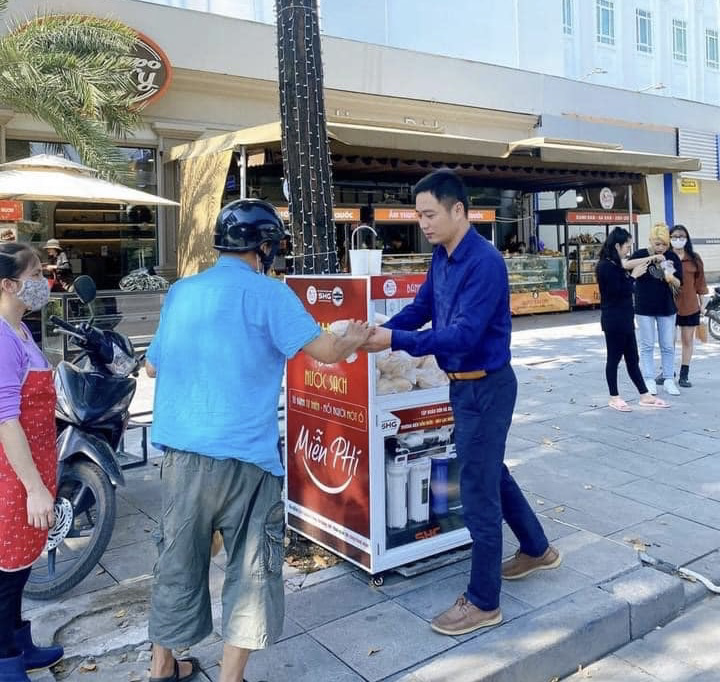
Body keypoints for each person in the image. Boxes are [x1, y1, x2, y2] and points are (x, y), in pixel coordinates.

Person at [145, 199, 370, 682]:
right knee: (252, 571)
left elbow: (154, 364)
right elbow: (327, 351)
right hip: (247, 459)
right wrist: (353, 334)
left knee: (177, 561)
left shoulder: (181, 292)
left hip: (182, 457)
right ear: (264, 247)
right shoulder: (270, 295)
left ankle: (162, 668)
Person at [362, 170, 561, 637]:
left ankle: (483, 601)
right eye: (419, 215)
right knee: (492, 471)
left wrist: (398, 339)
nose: (423, 224)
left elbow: (464, 334)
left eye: (430, 214)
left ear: (458, 211)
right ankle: (536, 548)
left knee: (476, 488)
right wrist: (381, 329)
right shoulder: (441, 257)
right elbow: (422, 308)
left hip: (488, 386)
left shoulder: (485, 262)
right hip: (462, 386)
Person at [0, 243, 64, 681]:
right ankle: (5, 662)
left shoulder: (22, 330)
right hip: (12, 477)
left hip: (34, 468)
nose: (45, 279)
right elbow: (5, 419)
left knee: (21, 567)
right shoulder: (2, 338)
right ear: (8, 284)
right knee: (5, 573)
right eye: (37, 274)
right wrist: (34, 487)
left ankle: (20, 644)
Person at [596, 228, 670, 412]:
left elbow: (625, 282)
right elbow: (617, 292)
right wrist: (634, 276)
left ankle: (645, 395)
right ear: (617, 245)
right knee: (613, 358)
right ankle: (614, 396)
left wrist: (637, 271)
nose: (628, 250)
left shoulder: (615, 263)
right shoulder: (605, 266)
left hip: (625, 319)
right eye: (627, 246)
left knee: (632, 358)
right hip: (614, 319)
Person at [626, 224, 682, 396]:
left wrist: (669, 275)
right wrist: (650, 259)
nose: (661, 248)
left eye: (664, 245)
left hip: (666, 307)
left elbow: (680, 283)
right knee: (647, 345)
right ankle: (648, 379)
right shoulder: (641, 254)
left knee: (667, 345)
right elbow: (626, 265)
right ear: (650, 241)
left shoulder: (671, 257)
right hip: (644, 307)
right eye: (657, 244)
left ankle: (668, 380)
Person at [670, 224, 708, 388]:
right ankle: (667, 371)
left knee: (687, 340)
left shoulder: (694, 258)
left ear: (687, 238)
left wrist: (702, 304)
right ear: (669, 239)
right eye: (674, 236)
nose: (678, 239)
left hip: (690, 305)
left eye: (681, 236)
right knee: (668, 341)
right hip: (668, 305)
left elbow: (701, 283)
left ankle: (684, 374)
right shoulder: (665, 257)